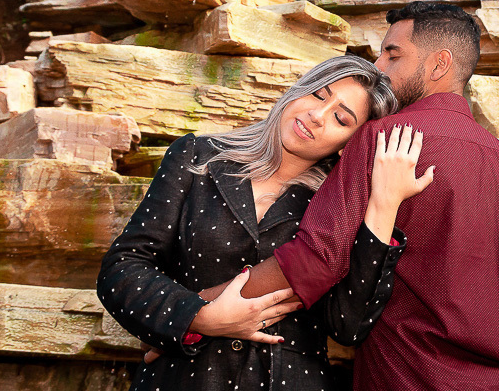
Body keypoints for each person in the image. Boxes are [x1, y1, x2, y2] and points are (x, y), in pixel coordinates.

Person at [228, 1, 499, 390]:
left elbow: (316, 259)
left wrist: (199, 310)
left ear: (438, 64)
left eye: (392, 54)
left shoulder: (385, 138)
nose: (379, 66)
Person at [97, 54, 435, 390]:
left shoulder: (342, 208)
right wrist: (200, 317)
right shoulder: (197, 156)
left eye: (340, 118)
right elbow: (123, 267)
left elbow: (350, 325)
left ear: (350, 145)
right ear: (297, 90)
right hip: (182, 378)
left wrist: (384, 204)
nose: (317, 116)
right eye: (318, 94)